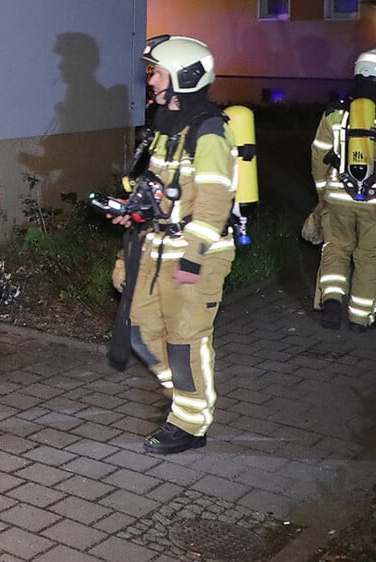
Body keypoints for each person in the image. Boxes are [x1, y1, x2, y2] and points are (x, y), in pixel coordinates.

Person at [110, 35, 237, 455]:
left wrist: (195, 259)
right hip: (157, 246)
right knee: (141, 332)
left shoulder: (210, 131)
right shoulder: (167, 127)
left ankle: (190, 422)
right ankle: (185, 395)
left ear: (183, 77)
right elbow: (164, 191)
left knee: (184, 342)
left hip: (193, 254)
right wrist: (134, 211)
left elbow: (216, 201)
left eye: (158, 72)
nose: (152, 79)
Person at [311, 47, 376, 332]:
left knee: (336, 249)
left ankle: (331, 298)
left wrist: (323, 195)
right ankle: (360, 318)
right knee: (369, 257)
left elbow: (318, 156)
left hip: (337, 198)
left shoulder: (335, 113)